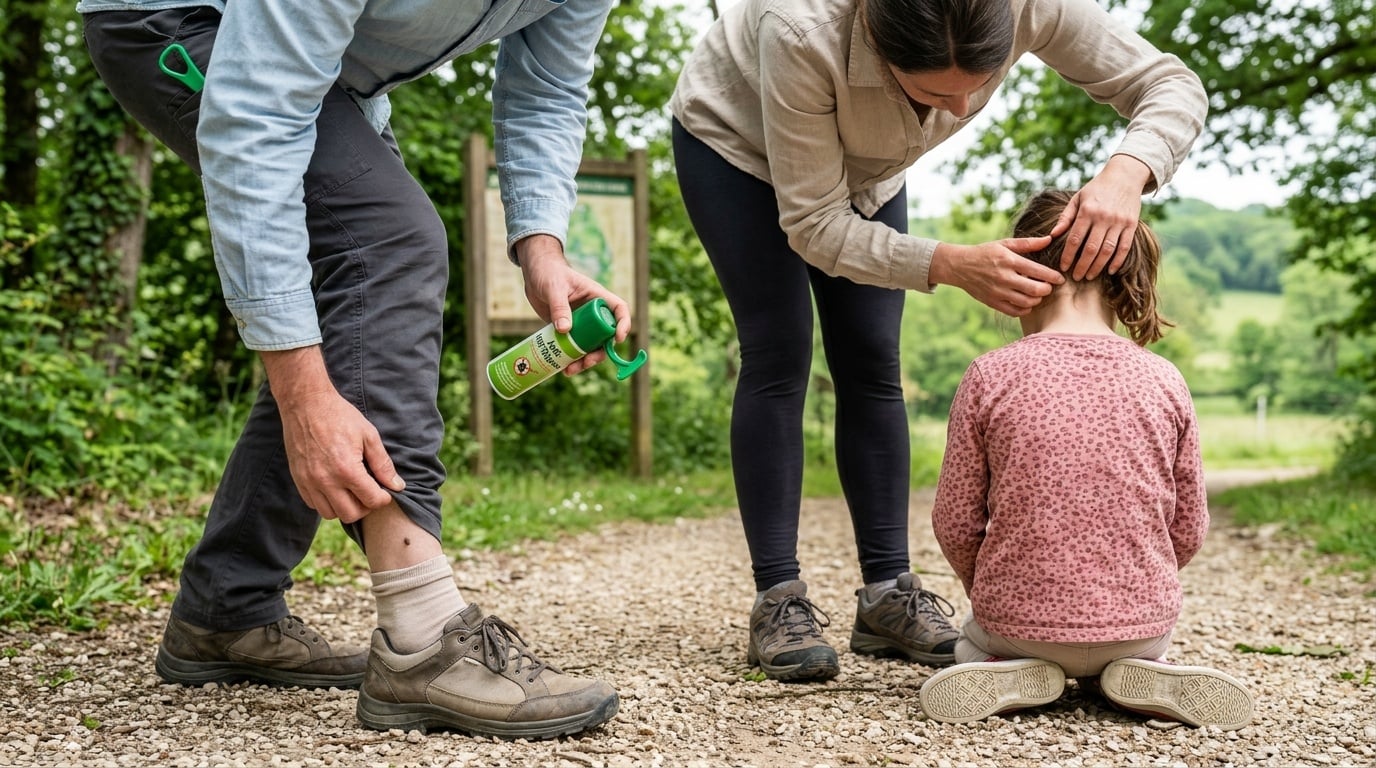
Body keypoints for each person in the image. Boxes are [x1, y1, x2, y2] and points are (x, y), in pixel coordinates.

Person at [79, 0, 626, 739]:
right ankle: (421, 635)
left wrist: (542, 248)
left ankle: (226, 605)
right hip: (180, 17)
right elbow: (257, 114)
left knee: (360, 304)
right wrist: (301, 390)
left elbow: (547, 90)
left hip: (332, 76)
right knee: (387, 244)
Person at [668, 0, 1208, 681]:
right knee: (779, 352)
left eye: (977, 86)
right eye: (931, 93)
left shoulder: (1026, 5)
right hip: (737, 146)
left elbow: (1172, 84)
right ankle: (779, 598)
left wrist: (1129, 171)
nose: (956, 112)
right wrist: (946, 263)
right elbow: (813, 226)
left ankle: (888, 595)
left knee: (872, 357)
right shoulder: (801, 30)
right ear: (875, 38)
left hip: (868, 171)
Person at [918, 189, 1254, 730]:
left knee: (969, 637)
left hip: (1018, 621)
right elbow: (1189, 526)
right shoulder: (1165, 379)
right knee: (1132, 643)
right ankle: (1133, 670)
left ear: (1020, 272)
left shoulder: (990, 375)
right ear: (1125, 279)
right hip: (1140, 621)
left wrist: (992, 590)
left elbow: (955, 520)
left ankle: (998, 662)